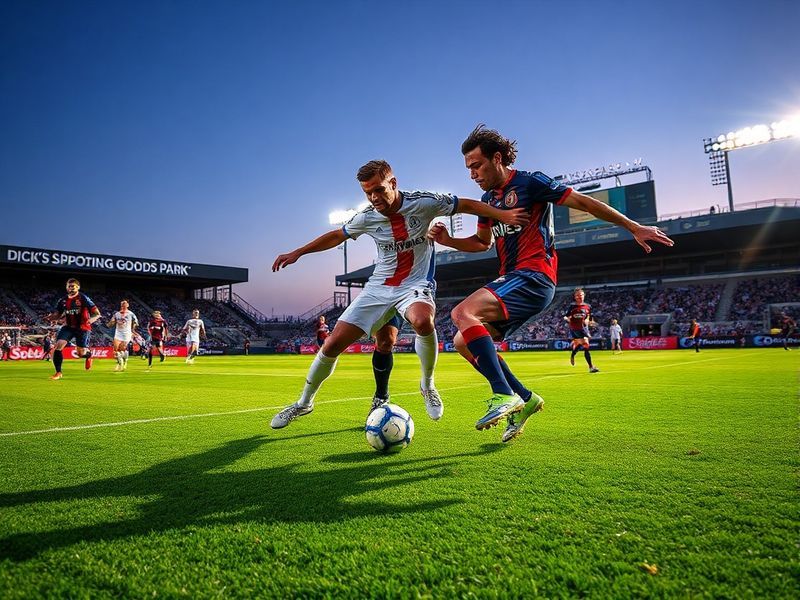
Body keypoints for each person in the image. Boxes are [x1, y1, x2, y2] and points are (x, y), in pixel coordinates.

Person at [429, 124, 674, 441]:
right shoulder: (488, 199)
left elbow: (584, 203)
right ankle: (526, 399)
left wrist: (632, 226)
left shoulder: (531, 182)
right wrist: (449, 240)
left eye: (476, 165)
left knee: (462, 313)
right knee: (463, 341)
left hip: (535, 275)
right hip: (513, 279)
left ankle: (503, 394)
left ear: (498, 158)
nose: (472, 174)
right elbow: (481, 242)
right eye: (468, 168)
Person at [270, 159, 530, 430]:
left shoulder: (425, 202)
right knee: (333, 344)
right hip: (379, 287)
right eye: (368, 192)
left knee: (422, 321)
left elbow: (468, 204)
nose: (374, 198)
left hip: (416, 284)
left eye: (379, 190)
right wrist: (298, 252)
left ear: (393, 183)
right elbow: (337, 235)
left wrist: (502, 216)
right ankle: (303, 403)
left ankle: (427, 385)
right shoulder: (366, 217)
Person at [44, 278, 102, 379]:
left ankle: (88, 355)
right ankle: (58, 372)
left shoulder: (83, 298)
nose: (71, 288)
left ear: (78, 287)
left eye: (73, 286)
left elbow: (97, 313)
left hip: (82, 328)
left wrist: (91, 320)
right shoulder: (63, 300)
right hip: (68, 327)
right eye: (69, 286)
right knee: (58, 346)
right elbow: (58, 314)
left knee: (81, 353)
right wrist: (51, 318)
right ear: (67, 287)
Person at [564, 288, 599, 373]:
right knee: (586, 343)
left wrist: (590, 321)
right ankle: (591, 367)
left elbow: (589, 317)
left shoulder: (588, 306)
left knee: (584, 344)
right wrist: (569, 320)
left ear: (584, 295)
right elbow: (565, 316)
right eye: (578, 295)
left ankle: (573, 353)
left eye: (581, 295)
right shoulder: (572, 306)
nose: (580, 297)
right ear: (575, 297)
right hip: (575, 328)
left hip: (584, 328)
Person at [106, 299, 138, 371]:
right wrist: (109, 324)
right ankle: (119, 363)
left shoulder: (131, 314)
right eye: (122, 304)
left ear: (127, 305)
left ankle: (125, 360)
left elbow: (135, 322)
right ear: (121, 305)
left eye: (125, 304)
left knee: (122, 350)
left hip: (126, 334)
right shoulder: (117, 314)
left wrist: (133, 330)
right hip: (118, 333)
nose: (123, 305)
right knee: (115, 350)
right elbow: (111, 322)